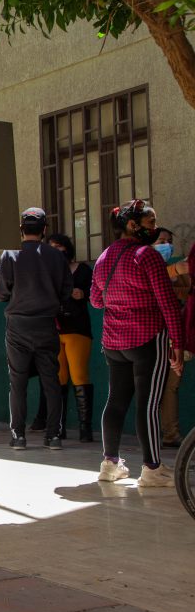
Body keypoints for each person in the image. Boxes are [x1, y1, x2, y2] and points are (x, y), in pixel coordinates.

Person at [91, 200, 183, 487]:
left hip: (114, 342)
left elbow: (96, 300)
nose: (154, 229)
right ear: (133, 225)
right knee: (148, 404)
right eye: (150, 223)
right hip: (147, 339)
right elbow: (167, 303)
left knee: (115, 401)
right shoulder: (148, 256)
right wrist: (178, 343)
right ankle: (152, 468)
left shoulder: (104, 257)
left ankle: (110, 464)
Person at [0, 207, 72, 451]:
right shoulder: (56, 256)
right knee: (51, 380)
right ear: (44, 230)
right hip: (47, 323)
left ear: (21, 229)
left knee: (17, 381)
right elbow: (66, 290)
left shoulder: (10, 255)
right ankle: (54, 436)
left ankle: (18, 436)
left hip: (18, 325)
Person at [31, 234, 94, 441]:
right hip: (53, 329)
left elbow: (96, 294)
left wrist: (83, 293)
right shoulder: (46, 272)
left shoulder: (84, 270)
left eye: (60, 247)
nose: (57, 251)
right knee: (58, 379)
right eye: (52, 247)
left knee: (79, 376)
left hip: (77, 328)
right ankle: (58, 427)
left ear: (68, 248)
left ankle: (85, 431)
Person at [154, 227, 191, 447]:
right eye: (160, 241)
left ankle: (171, 433)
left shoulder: (181, 270)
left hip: (174, 335)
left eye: (169, 242)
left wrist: (177, 275)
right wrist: (169, 273)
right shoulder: (146, 266)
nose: (166, 245)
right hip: (150, 335)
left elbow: (187, 294)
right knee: (150, 386)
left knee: (171, 386)